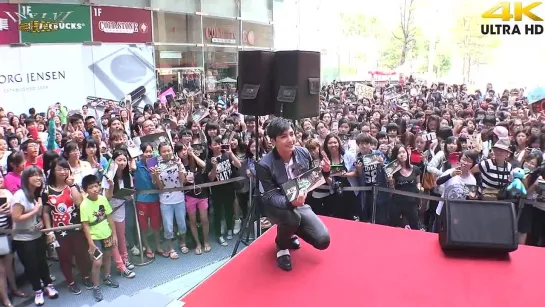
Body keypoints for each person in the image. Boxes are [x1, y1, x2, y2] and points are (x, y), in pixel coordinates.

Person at [255, 118, 331, 271]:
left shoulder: (303, 152)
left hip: (300, 204)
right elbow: (270, 196)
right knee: (292, 217)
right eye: (284, 136)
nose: (290, 140)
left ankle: (288, 232)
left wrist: (325, 171)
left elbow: (309, 180)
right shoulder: (264, 164)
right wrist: (291, 203)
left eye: (291, 134)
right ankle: (281, 244)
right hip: (276, 207)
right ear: (272, 141)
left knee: (323, 240)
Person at [80, 175, 119, 302]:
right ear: (86, 190)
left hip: (106, 234)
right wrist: (90, 243)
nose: (94, 189)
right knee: (97, 262)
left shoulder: (103, 199)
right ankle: (95, 286)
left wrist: (114, 234)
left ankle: (107, 277)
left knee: (108, 256)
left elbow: (109, 217)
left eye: (96, 186)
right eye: (91, 187)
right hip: (94, 237)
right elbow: (85, 225)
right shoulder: (84, 205)